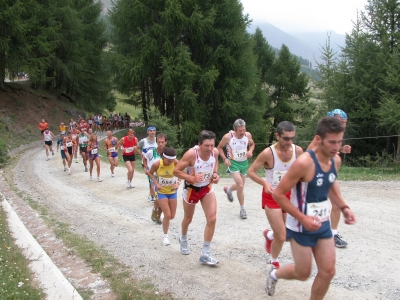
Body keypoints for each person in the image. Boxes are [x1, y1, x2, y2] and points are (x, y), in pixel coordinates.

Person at [265, 116, 357, 298]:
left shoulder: (335, 161)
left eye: (339, 142)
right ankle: (274, 274)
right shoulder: (304, 163)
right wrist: (303, 218)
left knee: (328, 271)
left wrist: (344, 207)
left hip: (322, 224)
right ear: (318, 139)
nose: (336, 147)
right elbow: (278, 194)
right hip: (300, 226)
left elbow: (330, 184)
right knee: (303, 273)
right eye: (331, 142)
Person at [248, 121, 303, 269]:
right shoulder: (268, 153)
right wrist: (265, 183)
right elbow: (251, 172)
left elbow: (303, 170)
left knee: (284, 233)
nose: (289, 142)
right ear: (277, 136)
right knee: (282, 236)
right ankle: (274, 262)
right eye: (286, 138)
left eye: (292, 138)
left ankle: (269, 235)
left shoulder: (298, 151)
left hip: (289, 195)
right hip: (272, 195)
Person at [173, 130, 220, 265]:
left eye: (212, 145)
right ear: (199, 144)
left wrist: (215, 174)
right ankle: (183, 238)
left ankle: (205, 253)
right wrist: (191, 178)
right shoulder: (191, 155)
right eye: (206, 146)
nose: (210, 149)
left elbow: (215, 162)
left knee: (212, 218)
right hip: (191, 190)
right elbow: (176, 170)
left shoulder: (214, 152)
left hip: (206, 188)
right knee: (188, 219)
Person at [308, 109, 351, 248]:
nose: (344, 125)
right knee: (311, 204)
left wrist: (342, 149)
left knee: (337, 204)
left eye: (345, 123)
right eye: (341, 122)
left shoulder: (337, 135)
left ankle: (333, 234)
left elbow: (332, 151)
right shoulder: (320, 136)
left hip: (329, 172)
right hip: (316, 174)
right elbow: (308, 152)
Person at [217, 119, 255, 219]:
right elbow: (219, 148)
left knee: (240, 186)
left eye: (243, 130)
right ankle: (242, 209)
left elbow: (252, 144)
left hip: (244, 163)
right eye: (240, 131)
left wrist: (250, 151)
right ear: (235, 130)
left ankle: (229, 190)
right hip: (233, 163)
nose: (242, 132)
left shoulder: (248, 135)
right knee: (240, 185)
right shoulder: (228, 137)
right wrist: (225, 159)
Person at [148, 147, 180, 246]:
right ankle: (165, 237)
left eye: (172, 160)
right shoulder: (157, 164)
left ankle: (159, 213)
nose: (171, 162)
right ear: (163, 157)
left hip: (172, 191)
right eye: (168, 160)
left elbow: (181, 173)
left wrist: (178, 182)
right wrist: (156, 183)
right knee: (168, 215)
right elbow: (150, 173)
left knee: (172, 216)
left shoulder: (176, 162)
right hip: (161, 191)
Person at [143, 133, 168, 223]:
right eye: (159, 142)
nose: (160, 144)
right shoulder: (151, 152)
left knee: (163, 197)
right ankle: (157, 212)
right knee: (158, 197)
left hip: (164, 178)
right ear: (156, 142)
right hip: (153, 176)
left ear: (166, 142)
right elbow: (144, 158)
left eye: (162, 142)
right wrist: (146, 168)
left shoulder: (168, 152)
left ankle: (156, 211)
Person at [138, 126, 157, 201]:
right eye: (150, 131)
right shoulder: (143, 141)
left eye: (154, 130)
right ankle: (152, 196)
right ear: (147, 132)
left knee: (156, 178)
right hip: (146, 163)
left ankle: (151, 194)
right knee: (151, 179)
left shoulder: (158, 140)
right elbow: (136, 147)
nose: (152, 132)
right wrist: (141, 154)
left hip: (156, 163)